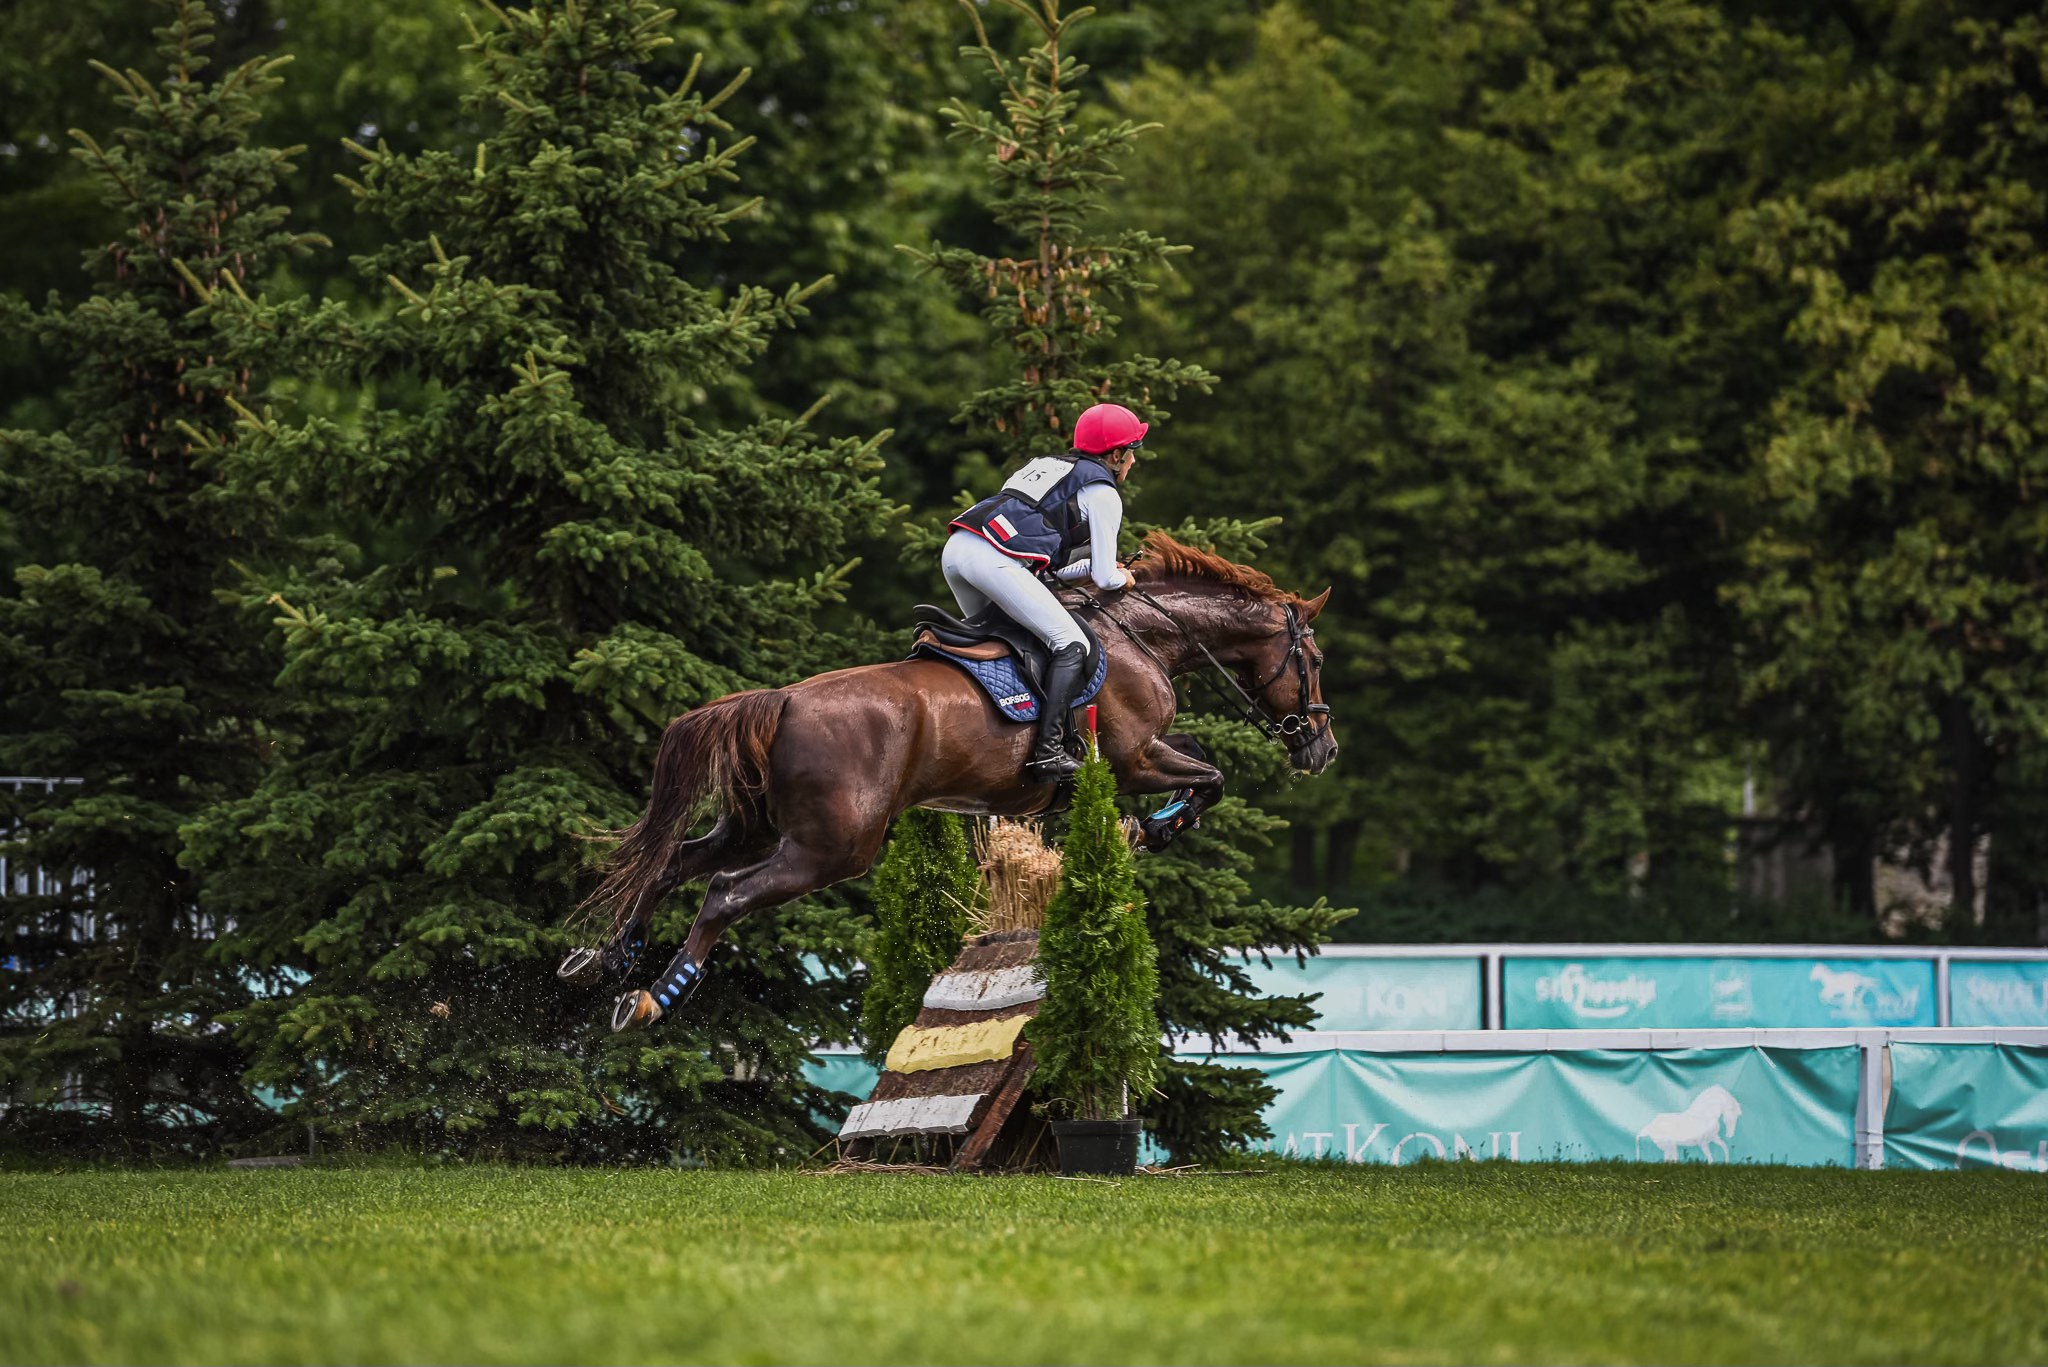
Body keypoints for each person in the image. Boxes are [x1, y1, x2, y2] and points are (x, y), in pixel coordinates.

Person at [944, 402, 1147, 782]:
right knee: (1072, 644)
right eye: (1132, 451)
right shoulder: (1102, 492)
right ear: (1116, 454)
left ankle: (992, 734)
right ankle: (1048, 751)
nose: (1134, 461)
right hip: (994, 562)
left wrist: (1096, 568)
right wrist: (1126, 578)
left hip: (958, 551)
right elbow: (1106, 579)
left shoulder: (1046, 466)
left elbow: (1047, 568)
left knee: (1002, 641)